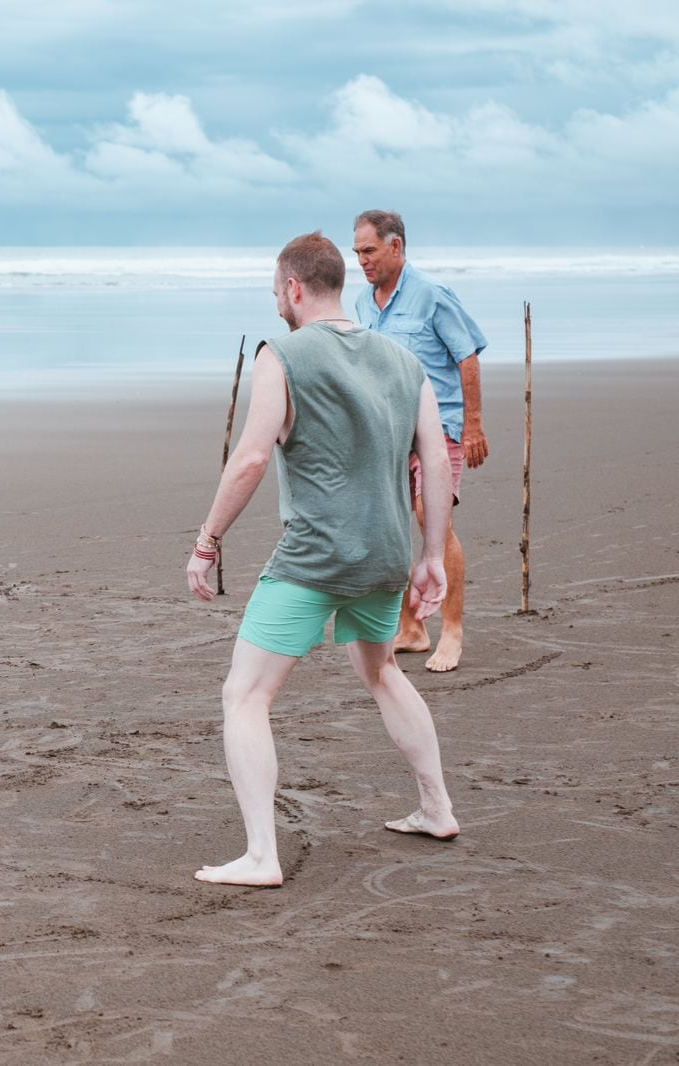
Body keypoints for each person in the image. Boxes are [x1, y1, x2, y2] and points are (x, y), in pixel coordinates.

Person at [186, 231, 460, 888]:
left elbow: (252, 457)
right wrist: (431, 557)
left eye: (275, 290)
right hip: (387, 552)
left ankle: (260, 855)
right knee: (382, 668)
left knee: (245, 695)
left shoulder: (282, 355)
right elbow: (438, 461)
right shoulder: (401, 359)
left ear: (293, 289)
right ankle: (437, 808)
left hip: (315, 557)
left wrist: (207, 539)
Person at [352, 210, 489, 672]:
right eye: (357, 252)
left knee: (435, 523)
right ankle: (412, 628)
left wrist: (473, 424)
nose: (362, 260)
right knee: (391, 524)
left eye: (369, 250)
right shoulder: (363, 303)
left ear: (397, 246)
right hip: (389, 432)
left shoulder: (431, 295)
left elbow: (467, 354)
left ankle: (452, 632)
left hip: (441, 427)